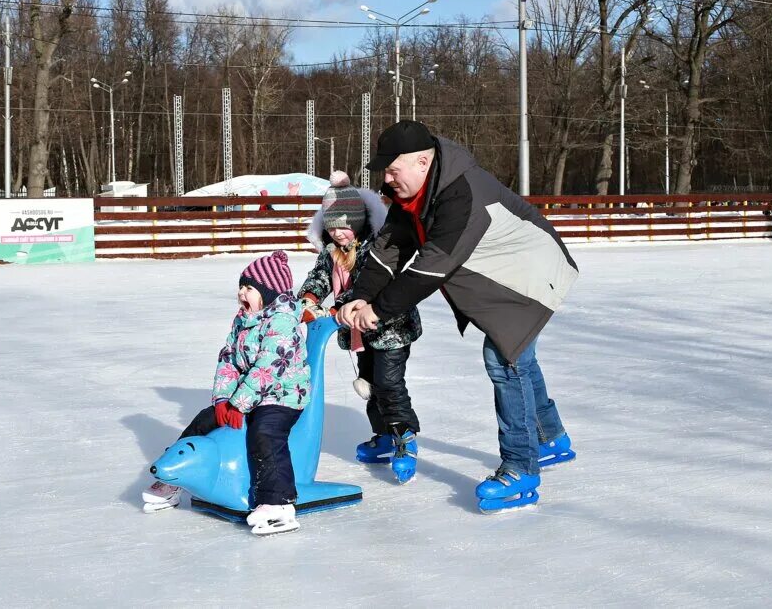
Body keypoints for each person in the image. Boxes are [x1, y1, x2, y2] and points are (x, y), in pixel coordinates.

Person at [339, 120, 579, 513]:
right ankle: (550, 438)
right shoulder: (412, 193)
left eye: (393, 169)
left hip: (532, 273)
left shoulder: (462, 195)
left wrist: (377, 312)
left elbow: (430, 269)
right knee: (519, 356)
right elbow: (388, 249)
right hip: (503, 276)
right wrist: (361, 295)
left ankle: (522, 468)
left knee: (504, 358)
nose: (387, 177)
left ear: (422, 161)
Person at [142, 250, 310, 533]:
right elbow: (229, 360)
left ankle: (278, 503)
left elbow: (267, 369)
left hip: (283, 394)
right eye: (241, 287)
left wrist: (238, 404)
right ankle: (174, 480)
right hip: (246, 396)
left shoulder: (282, 322)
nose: (241, 293)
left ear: (270, 293)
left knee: (265, 432)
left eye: (250, 288)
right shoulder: (243, 320)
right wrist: (222, 400)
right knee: (204, 420)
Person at [297, 171, 423, 484]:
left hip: (391, 327)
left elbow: (369, 286)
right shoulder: (331, 252)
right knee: (369, 383)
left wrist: (337, 308)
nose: (339, 234)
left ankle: (405, 439)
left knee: (388, 384)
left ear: (357, 222)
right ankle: (382, 435)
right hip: (360, 333)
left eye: (344, 226)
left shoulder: (376, 247)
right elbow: (321, 277)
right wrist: (308, 298)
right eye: (332, 227)